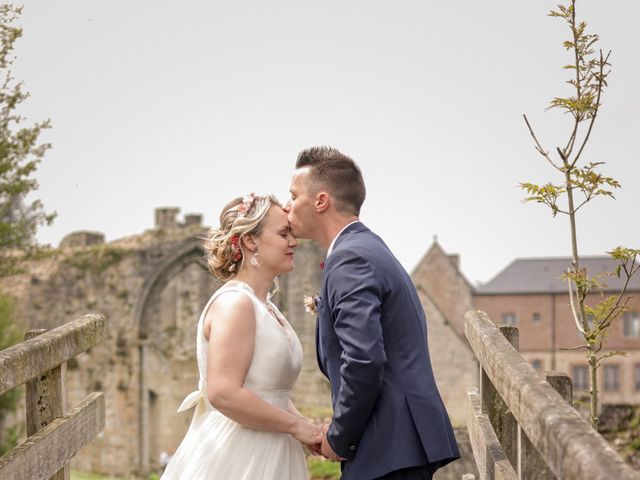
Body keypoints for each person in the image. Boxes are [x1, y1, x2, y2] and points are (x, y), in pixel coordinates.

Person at [285, 147, 460, 480]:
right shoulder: (365, 247)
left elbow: (364, 359)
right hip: (396, 444)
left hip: (390, 446)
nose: (287, 205)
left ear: (321, 201)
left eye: (293, 196)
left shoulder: (351, 259)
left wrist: (339, 437)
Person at [161, 193, 322, 480]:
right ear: (251, 240)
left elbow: (271, 392)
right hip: (237, 454)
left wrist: (307, 428)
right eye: (284, 233)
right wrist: (297, 428)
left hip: (275, 449)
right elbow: (224, 392)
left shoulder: (267, 308)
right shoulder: (235, 304)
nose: (294, 242)